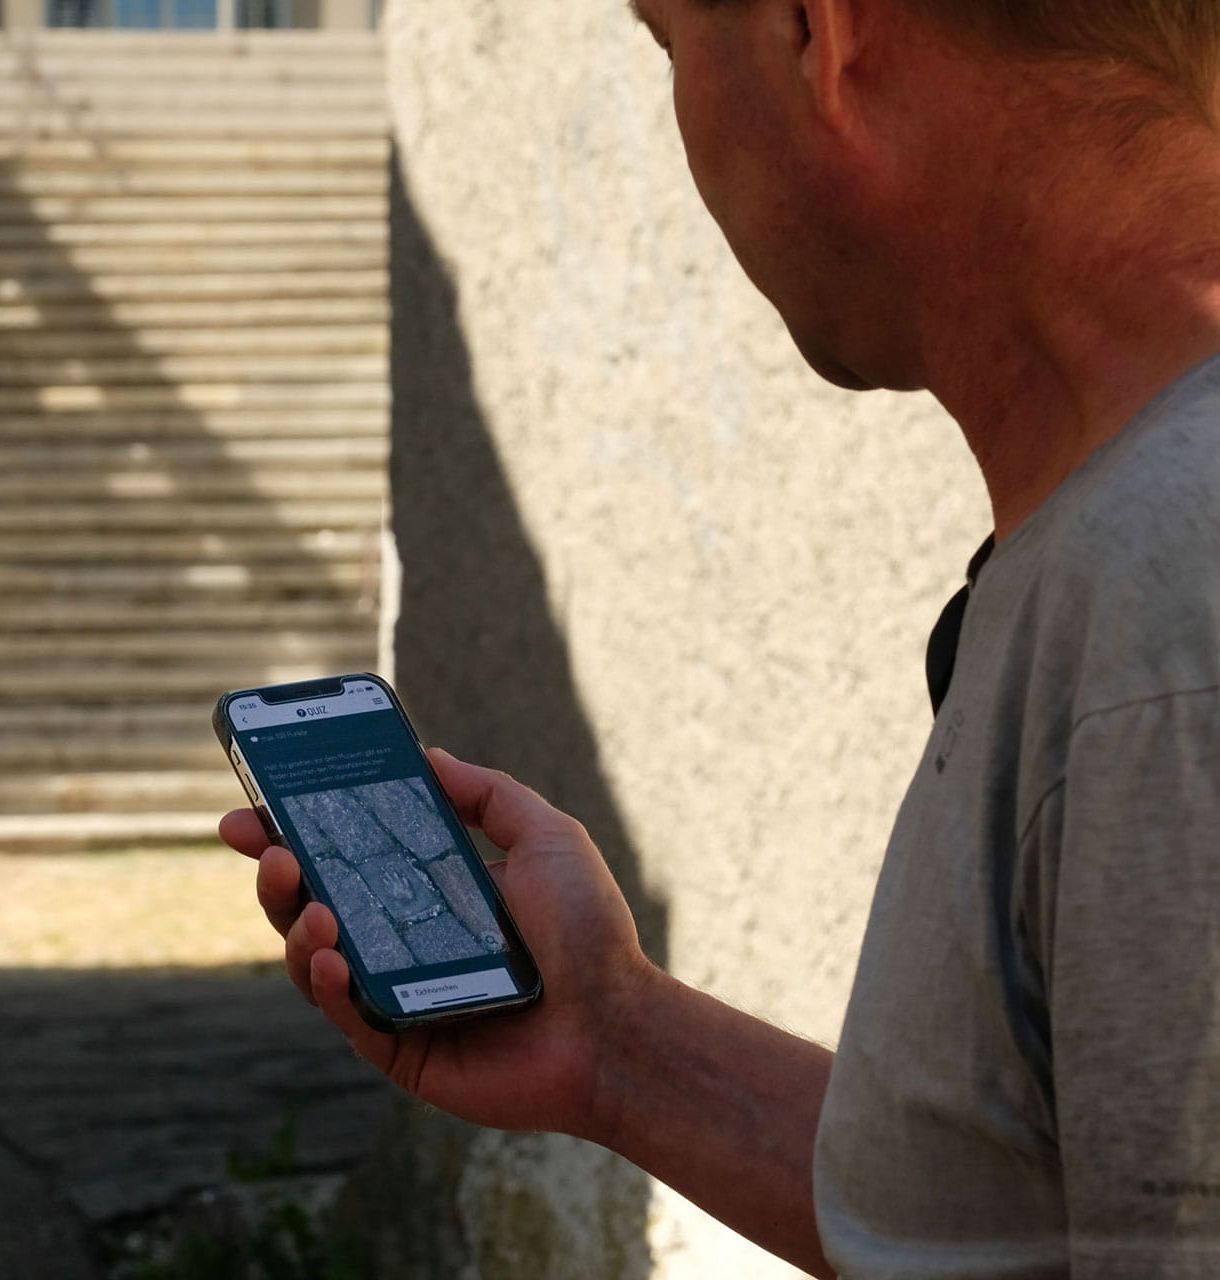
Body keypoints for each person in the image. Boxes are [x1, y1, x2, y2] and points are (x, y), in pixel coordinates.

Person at [219, 0, 1220, 1275]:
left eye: (668, 40)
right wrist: (623, 1043)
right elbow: (1015, 1214)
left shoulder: (1177, 621)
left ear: (823, 36)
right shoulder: (1135, 549)